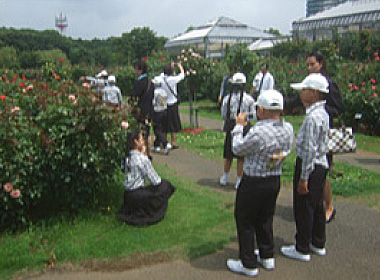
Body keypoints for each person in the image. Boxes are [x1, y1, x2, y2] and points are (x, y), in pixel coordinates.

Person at [226, 90, 293, 277]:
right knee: (265, 217)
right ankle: (267, 255)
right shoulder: (288, 128)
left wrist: (238, 127)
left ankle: (248, 263)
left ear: (262, 109)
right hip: (274, 178)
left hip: (254, 181)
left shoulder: (259, 131)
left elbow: (237, 148)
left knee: (245, 219)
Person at [285, 51, 343, 223]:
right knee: (318, 171)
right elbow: (296, 100)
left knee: (320, 170)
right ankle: (318, 210)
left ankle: (328, 206)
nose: (310, 68)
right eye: (308, 65)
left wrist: (318, 113)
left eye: (313, 64)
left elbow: (338, 108)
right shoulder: (309, 84)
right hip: (316, 128)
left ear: (321, 64)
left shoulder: (327, 85)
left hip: (321, 134)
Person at [281, 73, 330, 262]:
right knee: (316, 205)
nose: (301, 94)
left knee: (304, 207)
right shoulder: (322, 113)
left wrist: (303, 177)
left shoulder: (312, 118)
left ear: (314, 93)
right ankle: (318, 242)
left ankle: (302, 247)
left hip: (310, 165)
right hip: (320, 165)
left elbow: (309, 149)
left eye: (304, 90)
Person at [116, 130, 175, 226]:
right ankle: (156, 213)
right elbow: (156, 180)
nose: (143, 141)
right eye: (141, 139)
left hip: (127, 194)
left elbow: (123, 169)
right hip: (138, 195)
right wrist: (144, 156)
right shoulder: (142, 159)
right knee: (165, 185)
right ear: (136, 142)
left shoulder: (126, 157)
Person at [220, 72, 256, 190]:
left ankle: (225, 176)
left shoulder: (227, 99)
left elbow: (223, 114)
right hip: (245, 126)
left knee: (228, 154)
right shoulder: (249, 99)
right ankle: (239, 179)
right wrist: (244, 118)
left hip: (231, 125)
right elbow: (253, 116)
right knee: (241, 155)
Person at [130, 59, 154, 160]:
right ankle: (149, 153)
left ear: (140, 70)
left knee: (140, 133)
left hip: (140, 112)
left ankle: (143, 154)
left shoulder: (139, 83)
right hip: (149, 111)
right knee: (148, 133)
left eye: (135, 69)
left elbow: (133, 97)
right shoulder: (150, 82)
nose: (134, 71)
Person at [161, 62, 185, 149]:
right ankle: (173, 142)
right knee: (173, 124)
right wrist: (180, 66)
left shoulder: (162, 79)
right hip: (173, 103)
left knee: (164, 124)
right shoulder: (173, 79)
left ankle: (164, 141)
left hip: (163, 103)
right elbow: (182, 75)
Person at [151, 76, 170, 155]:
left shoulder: (155, 92)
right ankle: (156, 145)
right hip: (164, 111)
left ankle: (165, 143)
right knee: (161, 128)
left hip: (157, 111)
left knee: (157, 129)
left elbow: (153, 103)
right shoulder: (164, 91)